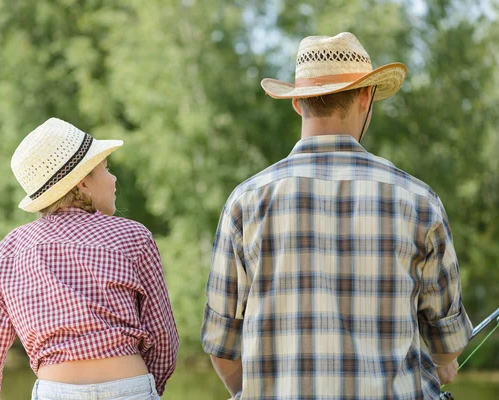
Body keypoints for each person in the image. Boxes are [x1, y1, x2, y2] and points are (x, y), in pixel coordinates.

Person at [201, 32, 472, 399]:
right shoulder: (420, 202)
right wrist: (441, 359)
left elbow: (222, 347)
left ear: (298, 103)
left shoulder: (245, 203)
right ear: (365, 96)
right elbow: (448, 345)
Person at [0, 118, 178, 400]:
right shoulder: (134, 236)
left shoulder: (11, 249)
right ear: (83, 183)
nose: (113, 179)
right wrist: (147, 388)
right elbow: (163, 339)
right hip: (131, 387)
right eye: (106, 169)